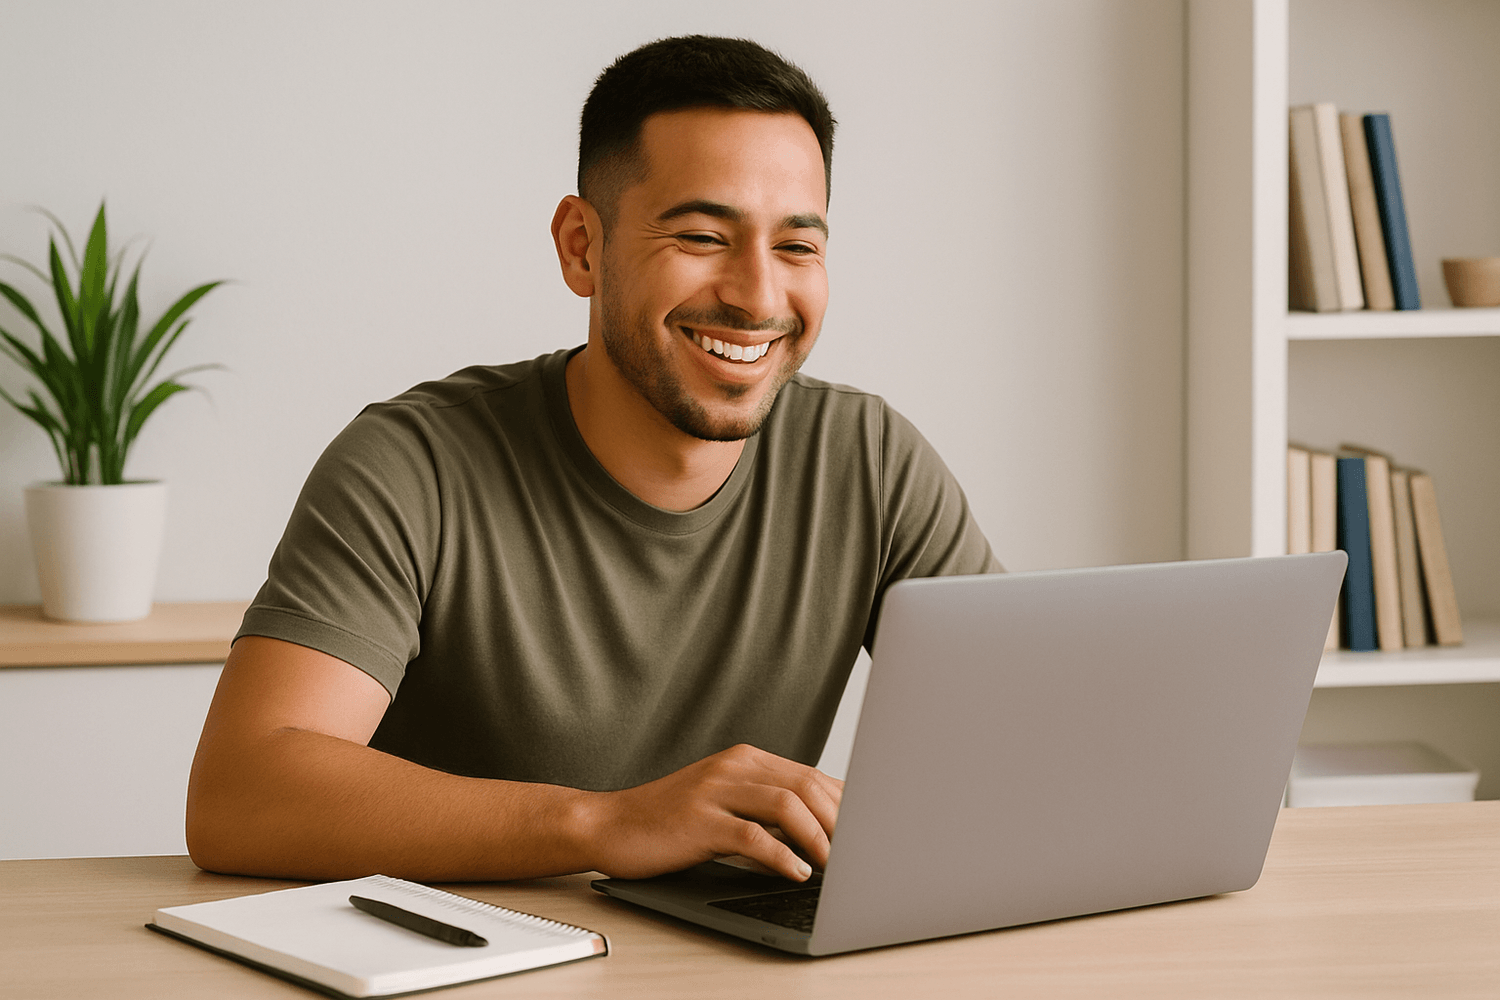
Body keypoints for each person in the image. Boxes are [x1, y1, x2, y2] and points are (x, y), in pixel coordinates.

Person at [186, 35, 999, 885]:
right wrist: (605, 824)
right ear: (582, 246)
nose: (759, 297)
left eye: (797, 248)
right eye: (701, 236)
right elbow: (240, 795)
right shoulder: (411, 466)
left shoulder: (869, 462)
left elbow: (1035, 732)